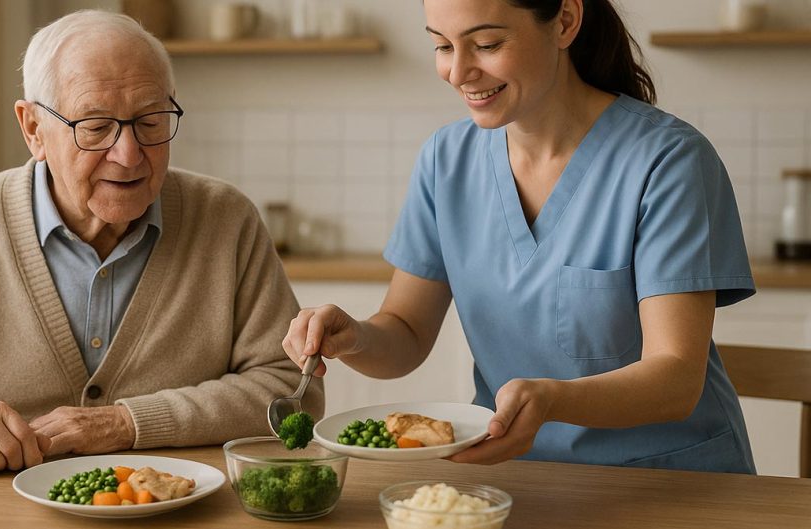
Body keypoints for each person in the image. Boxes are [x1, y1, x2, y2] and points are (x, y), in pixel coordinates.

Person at [0, 10, 322, 477]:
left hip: (179, 514)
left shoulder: (226, 220)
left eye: (151, 122)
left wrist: (126, 423)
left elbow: (292, 390)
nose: (129, 154)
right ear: (33, 128)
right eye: (95, 127)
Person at [282, 0, 756, 473]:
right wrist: (355, 338)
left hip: (671, 483)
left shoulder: (668, 162)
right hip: (515, 480)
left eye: (487, 44)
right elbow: (405, 332)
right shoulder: (446, 161)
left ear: (565, 21)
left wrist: (552, 400)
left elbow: (675, 379)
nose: (458, 71)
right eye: (443, 46)